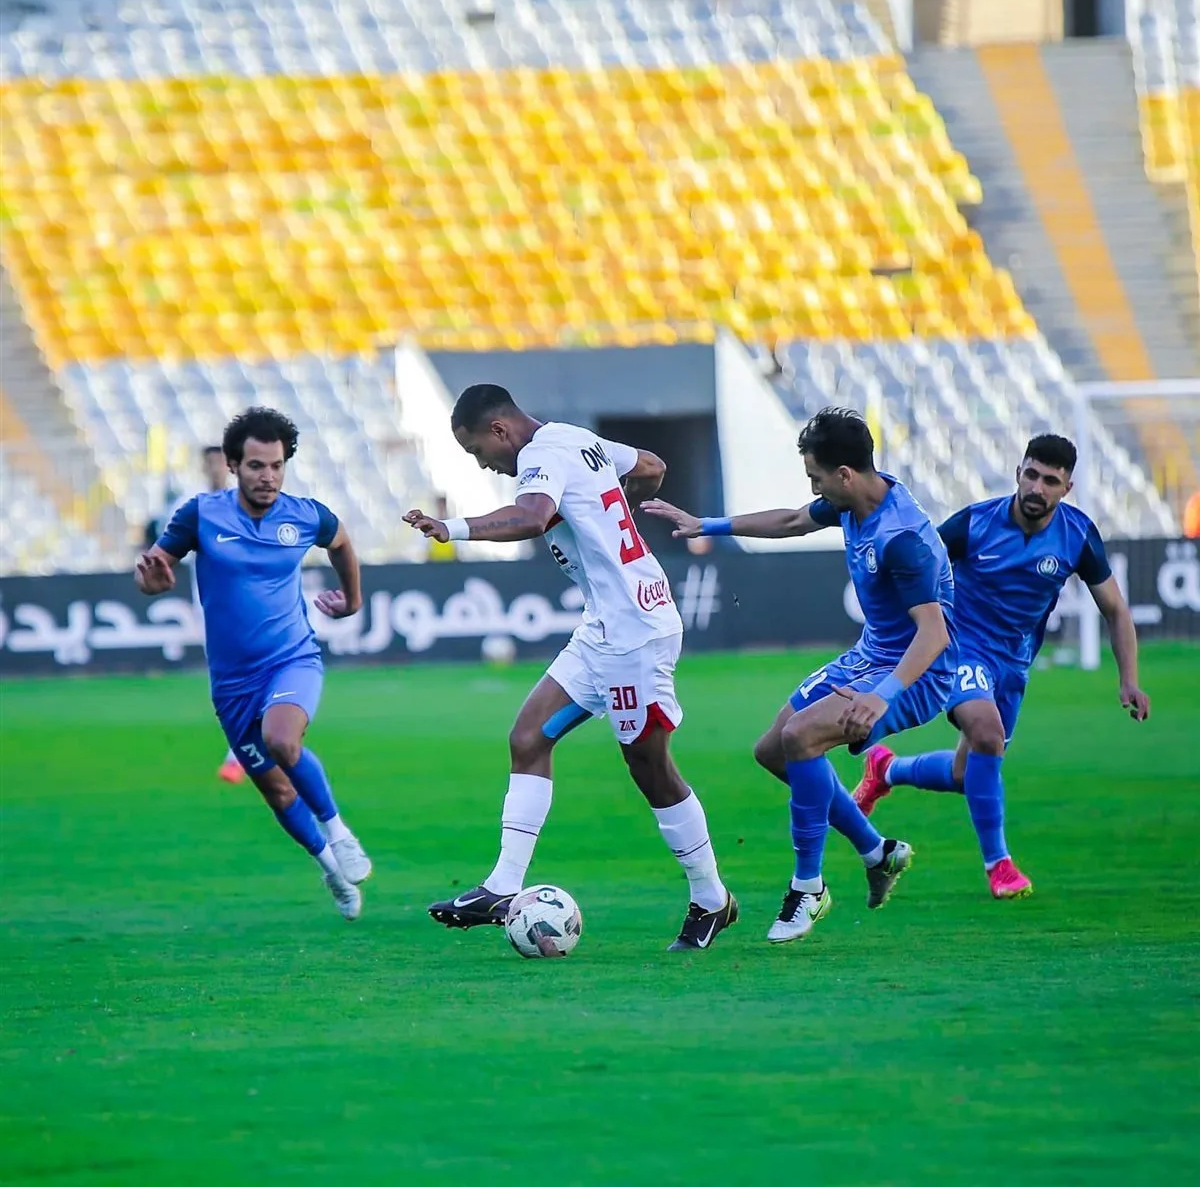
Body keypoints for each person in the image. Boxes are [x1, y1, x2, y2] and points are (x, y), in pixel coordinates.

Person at [405, 383, 737, 951]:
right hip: (604, 625)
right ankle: (502, 887)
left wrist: (453, 529)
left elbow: (531, 519)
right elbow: (652, 467)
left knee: (650, 767)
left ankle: (712, 898)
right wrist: (605, 508)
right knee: (528, 737)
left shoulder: (543, 454)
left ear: (499, 430)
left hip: (635, 632)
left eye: (478, 451)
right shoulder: (573, 438)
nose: (483, 464)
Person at [643, 407, 953, 945]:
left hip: (919, 672)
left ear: (845, 474)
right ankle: (877, 852)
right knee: (773, 750)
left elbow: (934, 634)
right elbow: (790, 521)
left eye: (816, 477)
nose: (813, 489)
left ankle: (808, 886)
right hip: (871, 655)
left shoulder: (902, 537)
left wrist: (882, 697)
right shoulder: (855, 500)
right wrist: (707, 525)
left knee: (801, 736)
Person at [853, 434, 1151, 898]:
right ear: (1018, 473)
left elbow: (1115, 609)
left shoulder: (1077, 535)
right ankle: (1000, 866)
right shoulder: (974, 523)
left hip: (1014, 663)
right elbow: (917, 564)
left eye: (1050, 481)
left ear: (1066, 489)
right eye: (1031, 475)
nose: (1037, 488)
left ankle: (886, 770)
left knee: (966, 773)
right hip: (960, 647)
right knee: (987, 733)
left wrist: (1129, 679)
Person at [134, 408, 373, 920]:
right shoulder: (200, 515)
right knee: (277, 790)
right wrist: (151, 582)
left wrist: (353, 600)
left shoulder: (305, 515)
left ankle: (339, 832)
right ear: (233, 465)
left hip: (292, 658)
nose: (268, 476)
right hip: (232, 683)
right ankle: (331, 869)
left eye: (277, 466)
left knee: (282, 740)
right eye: (257, 466)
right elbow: (154, 567)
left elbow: (341, 542)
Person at [144, 446, 248, 784]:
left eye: (221, 461)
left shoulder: (247, 502)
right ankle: (245, 746)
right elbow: (163, 543)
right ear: (203, 466)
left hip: (251, 601)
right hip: (210, 603)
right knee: (228, 676)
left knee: (253, 670)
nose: (216, 467)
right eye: (210, 462)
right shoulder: (192, 506)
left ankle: (241, 751)